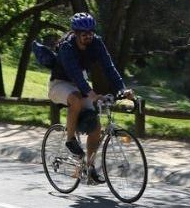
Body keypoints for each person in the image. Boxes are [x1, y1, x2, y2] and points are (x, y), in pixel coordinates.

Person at [48, 12, 134, 184]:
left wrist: (122, 90)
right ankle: (70, 140)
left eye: (90, 33)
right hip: (59, 84)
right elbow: (76, 76)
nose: (88, 36)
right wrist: (93, 95)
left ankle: (89, 168)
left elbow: (109, 68)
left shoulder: (96, 43)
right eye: (83, 34)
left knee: (96, 127)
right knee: (76, 99)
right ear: (75, 33)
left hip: (80, 86)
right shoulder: (67, 47)